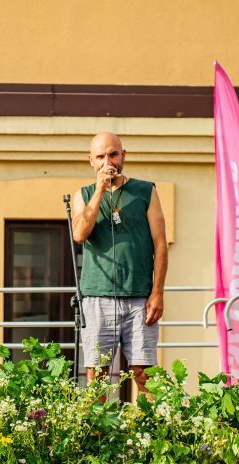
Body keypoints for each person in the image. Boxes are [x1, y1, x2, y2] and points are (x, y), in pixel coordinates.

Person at [72, 132, 168, 395]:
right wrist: (100, 189)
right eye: (100, 157)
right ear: (91, 160)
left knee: (145, 373)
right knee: (97, 375)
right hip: (97, 296)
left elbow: (161, 244)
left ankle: (152, 432)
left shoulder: (145, 190)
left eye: (113, 154)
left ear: (123, 155)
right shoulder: (84, 194)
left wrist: (157, 293)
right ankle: (98, 434)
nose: (107, 162)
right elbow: (79, 234)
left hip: (139, 297)